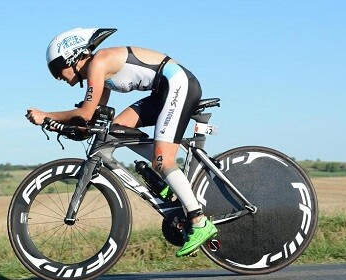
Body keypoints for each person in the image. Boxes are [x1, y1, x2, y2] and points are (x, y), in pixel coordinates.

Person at [26, 28, 217, 257]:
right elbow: (95, 116)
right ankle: (166, 179)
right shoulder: (98, 74)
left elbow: (85, 112)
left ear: (72, 57)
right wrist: (66, 126)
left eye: (58, 69)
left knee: (162, 160)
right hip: (163, 91)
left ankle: (199, 221)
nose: (58, 77)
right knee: (116, 131)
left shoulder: (99, 63)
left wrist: (47, 115)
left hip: (177, 86)